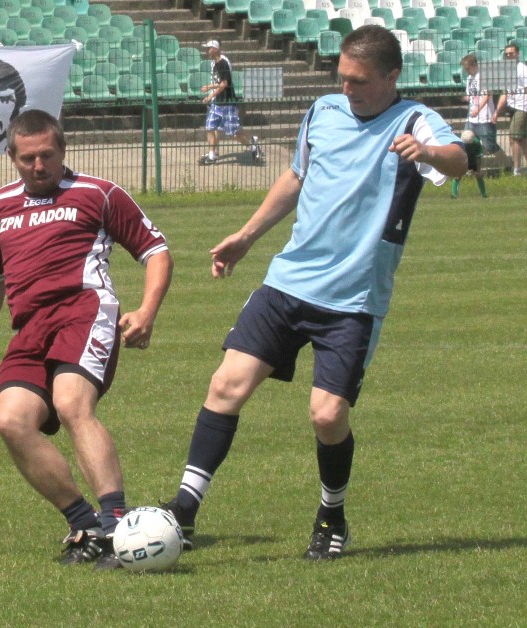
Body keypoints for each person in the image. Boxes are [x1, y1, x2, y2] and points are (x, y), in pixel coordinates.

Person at [161, 25, 467, 560]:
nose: (347, 89)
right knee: (226, 385)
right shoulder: (322, 111)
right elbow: (296, 177)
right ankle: (183, 512)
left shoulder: (414, 119)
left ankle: (332, 516)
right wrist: (246, 236)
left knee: (327, 416)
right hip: (289, 281)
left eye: (360, 81)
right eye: (342, 78)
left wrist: (430, 153)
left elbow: (460, 159)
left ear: (392, 77)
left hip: (352, 300)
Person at [0, 109, 173, 568]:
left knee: (71, 403)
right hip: (30, 328)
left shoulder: (98, 194)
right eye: (27, 159)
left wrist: (147, 311)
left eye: (47, 156)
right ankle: (85, 526)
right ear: (12, 157)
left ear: (63, 150)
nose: (38, 166)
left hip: (85, 311)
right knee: (10, 420)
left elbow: (156, 251)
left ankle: (117, 525)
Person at [199, 39, 262, 165]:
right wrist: (209, 86)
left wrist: (210, 95)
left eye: (209, 48)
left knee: (235, 134)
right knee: (210, 127)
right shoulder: (215, 63)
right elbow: (219, 82)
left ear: (215, 49)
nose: (207, 51)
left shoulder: (223, 63)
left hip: (228, 103)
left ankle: (252, 144)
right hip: (217, 103)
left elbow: (224, 84)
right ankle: (212, 155)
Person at [460, 53, 507, 170]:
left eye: (467, 68)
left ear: (474, 65)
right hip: (471, 117)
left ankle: (507, 164)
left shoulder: (484, 76)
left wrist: (478, 109)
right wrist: (466, 98)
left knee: (489, 145)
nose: (466, 71)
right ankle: (472, 168)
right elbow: (470, 94)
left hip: (484, 117)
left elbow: (487, 96)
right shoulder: (469, 78)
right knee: (467, 140)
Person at [492, 43, 527, 176]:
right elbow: (504, 93)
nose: (509, 56)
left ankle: (517, 169)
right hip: (512, 106)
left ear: (517, 54)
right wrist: (497, 112)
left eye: (511, 54)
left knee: (514, 138)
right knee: (522, 139)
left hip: (522, 106)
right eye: (507, 54)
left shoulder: (522, 69)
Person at [451, 129, 487, 198]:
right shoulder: (458, 143)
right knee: (457, 176)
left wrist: (478, 170)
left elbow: (478, 157)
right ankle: (454, 194)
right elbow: (457, 155)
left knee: (478, 175)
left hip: (473, 160)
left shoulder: (477, 143)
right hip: (462, 160)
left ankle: (484, 194)